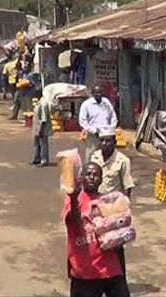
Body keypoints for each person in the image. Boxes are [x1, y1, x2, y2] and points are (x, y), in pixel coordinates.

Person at [63, 163, 130, 297]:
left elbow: (119, 229)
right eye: (88, 174)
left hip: (110, 268)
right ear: (81, 178)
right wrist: (73, 198)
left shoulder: (106, 201)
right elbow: (74, 220)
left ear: (101, 180)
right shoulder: (73, 200)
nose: (91, 177)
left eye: (95, 175)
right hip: (84, 271)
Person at [90, 128, 135, 275]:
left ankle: (119, 279)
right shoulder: (94, 157)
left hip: (115, 212)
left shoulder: (123, 161)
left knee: (116, 246)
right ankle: (101, 277)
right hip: (97, 210)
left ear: (114, 142)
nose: (105, 143)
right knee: (97, 245)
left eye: (108, 140)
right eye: (102, 140)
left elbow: (127, 187)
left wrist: (124, 213)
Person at [79, 86, 117, 161]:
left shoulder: (106, 102)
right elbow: (82, 121)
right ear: (92, 93)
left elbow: (113, 116)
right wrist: (94, 131)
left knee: (107, 156)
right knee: (91, 156)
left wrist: (111, 128)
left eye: (100, 92)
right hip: (93, 136)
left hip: (106, 135)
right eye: (96, 93)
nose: (99, 94)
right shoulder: (86, 104)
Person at [31, 95, 52, 167]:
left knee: (43, 143)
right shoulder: (38, 102)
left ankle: (44, 160)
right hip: (36, 127)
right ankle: (37, 158)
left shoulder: (43, 104)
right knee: (36, 143)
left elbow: (44, 119)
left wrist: (41, 130)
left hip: (42, 127)